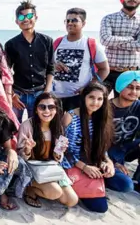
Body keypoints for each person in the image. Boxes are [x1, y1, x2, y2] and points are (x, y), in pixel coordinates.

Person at [61, 82, 117, 213]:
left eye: (100, 99)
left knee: (124, 185)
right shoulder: (70, 116)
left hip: (94, 160)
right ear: (84, 97)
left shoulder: (101, 117)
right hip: (73, 163)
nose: (95, 102)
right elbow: (63, 149)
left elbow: (102, 147)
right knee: (100, 207)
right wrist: (84, 167)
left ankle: (98, 180)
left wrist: (109, 163)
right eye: (91, 97)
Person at [16, 93, 78, 208]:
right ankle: (30, 188)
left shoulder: (58, 126)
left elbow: (57, 159)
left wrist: (59, 152)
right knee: (55, 192)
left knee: (71, 200)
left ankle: (47, 186)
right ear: (35, 110)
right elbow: (20, 157)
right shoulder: (27, 125)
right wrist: (27, 150)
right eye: (42, 107)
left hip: (50, 166)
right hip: (32, 166)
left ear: (56, 110)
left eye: (51, 107)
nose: (46, 111)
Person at [5, 0, 55, 123]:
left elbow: (51, 68)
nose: (26, 19)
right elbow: (6, 72)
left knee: (38, 126)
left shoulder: (47, 41)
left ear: (35, 17)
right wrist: (12, 95)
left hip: (40, 92)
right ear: (17, 21)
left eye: (29, 15)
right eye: (21, 17)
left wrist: (46, 91)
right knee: (14, 126)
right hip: (18, 94)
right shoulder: (11, 44)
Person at [53, 8, 109, 111]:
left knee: (77, 126)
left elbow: (104, 69)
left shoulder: (90, 44)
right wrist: (54, 66)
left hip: (78, 97)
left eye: (74, 20)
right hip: (55, 96)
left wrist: (89, 87)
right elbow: (47, 65)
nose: (70, 23)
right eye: (67, 20)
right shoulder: (57, 42)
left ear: (83, 23)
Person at [100, 0, 140, 97]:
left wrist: (115, 42)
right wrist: (130, 39)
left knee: (128, 107)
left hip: (131, 73)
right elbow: (105, 40)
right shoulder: (109, 18)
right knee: (99, 105)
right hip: (109, 71)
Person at [107, 71, 140, 193]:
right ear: (120, 87)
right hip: (104, 152)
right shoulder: (105, 108)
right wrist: (112, 162)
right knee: (126, 186)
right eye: (130, 87)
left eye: (138, 88)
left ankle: (139, 180)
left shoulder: (138, 106)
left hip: (124, 149)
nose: (134, 92)